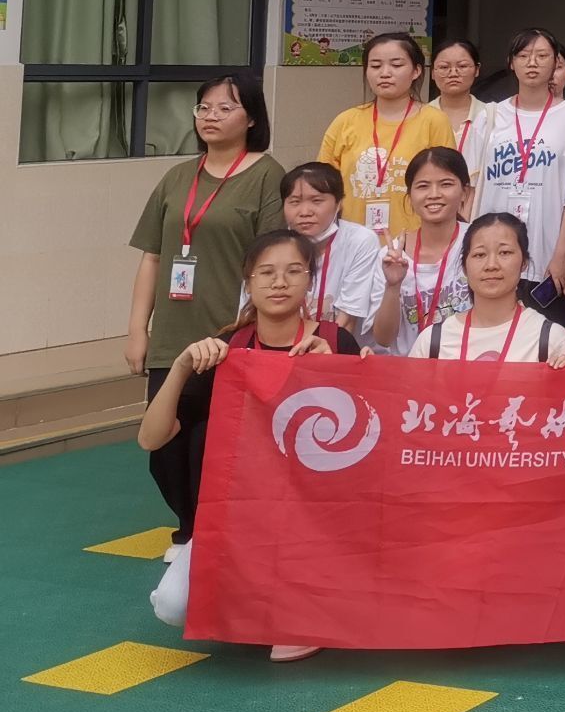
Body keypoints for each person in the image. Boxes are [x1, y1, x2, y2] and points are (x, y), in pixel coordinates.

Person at [139, 229, 361, 659]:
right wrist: (181, 367)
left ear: (309, 279)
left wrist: (335, 372)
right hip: (241, 520)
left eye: (293, 271)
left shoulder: (336, 342)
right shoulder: (228, 350)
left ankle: (309, 609)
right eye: (267, 272)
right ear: (249, 282)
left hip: (320, 521)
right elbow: (151, 438)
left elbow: (371, 442)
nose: (280, 282)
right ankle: (272, 605)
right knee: (172, 605)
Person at [126, 73, 283, 552]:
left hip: (231, 337)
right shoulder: (178, 176)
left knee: (211, 447)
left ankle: (202, 540)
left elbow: (273, 261)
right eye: (203, 108)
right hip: (173, 336)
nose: (211, 116)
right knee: (164, 449)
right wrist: (137, 330)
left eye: (225, 108)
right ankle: (191, 530)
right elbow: (152, 257)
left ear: (251, 118)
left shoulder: (267, 175)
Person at [471, 28, 565, 299]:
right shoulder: (490, 116)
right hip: (491, 255)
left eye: (542, 56)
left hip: (547, 258)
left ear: (556, 63)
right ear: (511, 63)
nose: (532, 62)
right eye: (523, 55)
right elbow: (470, 190)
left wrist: (562, 255)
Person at [317, 31, 456, 243]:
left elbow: (448, 185)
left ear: (416, 71)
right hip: (353, 246)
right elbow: (322, 186)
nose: (385, 73)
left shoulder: (434, 121)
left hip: (414, 245)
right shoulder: (345, 121)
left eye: (396, 65)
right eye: (375, 66)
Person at [419, 213, 565, 364]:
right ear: (465, 267)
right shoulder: (433, 341)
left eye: (504, 252)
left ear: (524, 263)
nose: (491, 265)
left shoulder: (551, 340)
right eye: (480, 254)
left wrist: (562, 376)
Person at [374, 146, 473, 355]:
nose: (434, 195)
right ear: (409, 196)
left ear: (465, 192)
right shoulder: (391, 256)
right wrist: (393, 286)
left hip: (466, 366)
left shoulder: (479, 244)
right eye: (423, 186)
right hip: (408, 370)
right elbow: (383, 338)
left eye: (446, 184)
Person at [275, 162, 385, 339]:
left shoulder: (360, 241)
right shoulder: (271, 248)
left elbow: (348, 319)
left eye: (316, 201)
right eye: (294, 202)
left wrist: (318, 348)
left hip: (339, 346)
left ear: (338, 203)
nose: (305, 212)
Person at [429, 38, 493, 183]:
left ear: (477, 70)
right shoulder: (420, 116)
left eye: (462, 66)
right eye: (444, 67)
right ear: (432, 73)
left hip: (480, 193)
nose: (453, 73)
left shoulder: (492, 116)